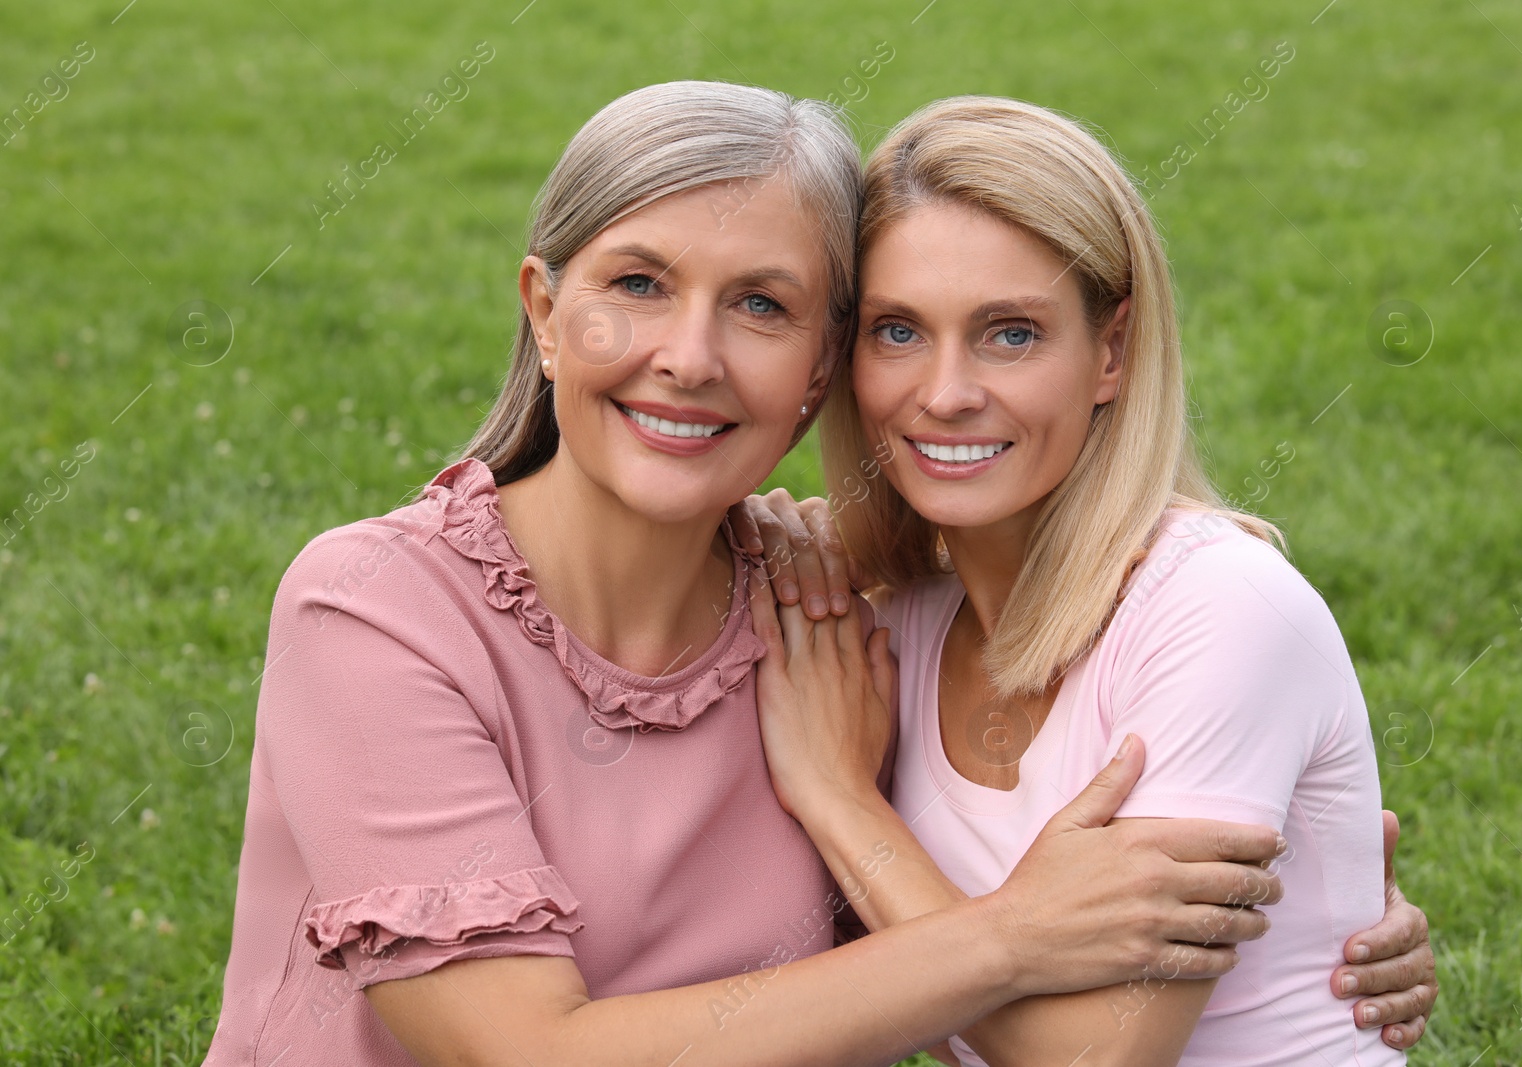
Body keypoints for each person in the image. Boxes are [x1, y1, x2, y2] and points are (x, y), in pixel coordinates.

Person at [202, 83, 1431, 1067]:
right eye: (637, 284)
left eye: (761, 305)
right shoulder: (373, 610)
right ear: (543, 305)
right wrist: (1012, 934)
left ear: (816, 367)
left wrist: (1319, 921)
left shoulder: (822, 615)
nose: (688, 357)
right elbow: (523, 1049)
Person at [739, 96, 1435, 1065]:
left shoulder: (1218, 608)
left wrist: (841, 800)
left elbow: (1092, 1056)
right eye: (898, 331)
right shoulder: (892, 626)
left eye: (1010, 333)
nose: (944, 393)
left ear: (1110, 351)